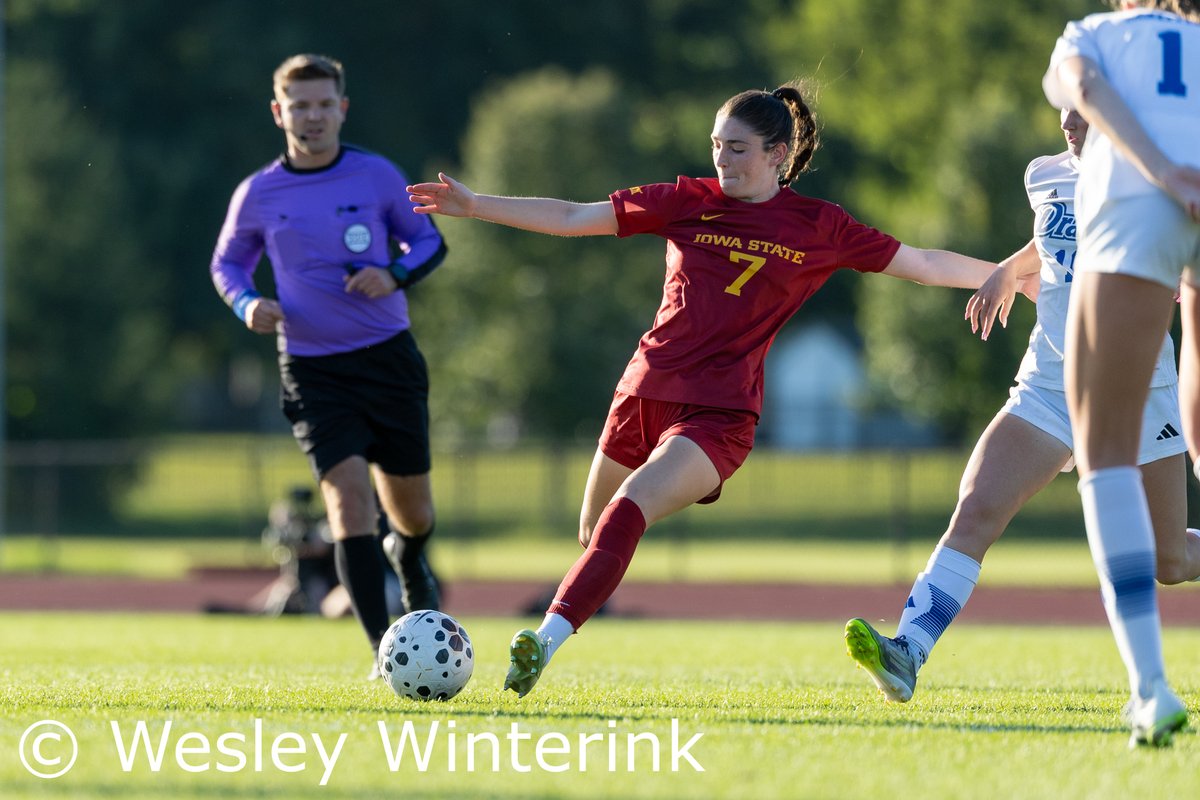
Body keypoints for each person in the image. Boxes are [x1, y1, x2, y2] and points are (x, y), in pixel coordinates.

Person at [408, 83, 1031, 698]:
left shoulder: (819, 225)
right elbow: (574, 217)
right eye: (716, 145)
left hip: (719, 413)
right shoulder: (687, 200)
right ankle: (563, 619)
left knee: (628, 508)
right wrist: (477, 205)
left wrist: (1012, 275)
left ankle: (541, 643)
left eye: (737, 148)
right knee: (595, 531)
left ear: (778, 154)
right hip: (642, 392)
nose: (722, 160)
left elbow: (923, 263)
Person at [843, 104, 1200, 711]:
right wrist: (1008, 271)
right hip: (1049, 384)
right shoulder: (1045, 173)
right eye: (1064, 107)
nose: (1068, 122)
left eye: (1083, 111)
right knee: (977, 506)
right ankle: (908, 651)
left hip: (1138, 388)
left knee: (1168, 559)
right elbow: (1051, 239)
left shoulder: (1161, 179)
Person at [210, 53, 447, 679]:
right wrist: (247, 303)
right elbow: (226, 264)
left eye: (322, 105)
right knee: (347, 503)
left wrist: (393, 273)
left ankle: (409, 554)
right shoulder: (258, 193)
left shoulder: (376, 176)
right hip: (313, 370)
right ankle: (381, 653)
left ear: (341, 109)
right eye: (299, 106)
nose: (311, 116)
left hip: (387, 359)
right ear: (278, 112)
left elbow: (429, 240)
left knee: (414, 514)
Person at [1045, 0, 1200, 747]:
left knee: (1104, 456)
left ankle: (1150, 688)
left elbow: (1085, 89)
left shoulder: (1095, 33)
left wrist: (1164, 171)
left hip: (1141, 206)